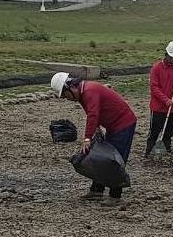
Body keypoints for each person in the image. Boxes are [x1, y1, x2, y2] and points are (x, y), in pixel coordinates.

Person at [51, 72, 138, 202]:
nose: (66, 98)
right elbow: (93, 111)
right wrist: (96, 129)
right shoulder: (83, 92)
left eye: (65, 95)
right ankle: (97, 190)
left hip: (123, 124)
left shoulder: (89, 91)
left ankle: (115, 195)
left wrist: (87, 138)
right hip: (113, 125)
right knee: (102, 157)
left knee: (114, 160)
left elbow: (93, 114)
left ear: (70, 87)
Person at [145, 41, 173, 157]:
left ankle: (166, 151)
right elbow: (154, 88)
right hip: (158, 108)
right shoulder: (156, 68)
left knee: (170, 132)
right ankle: (148, 154)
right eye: (172, 58)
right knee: (154, 132)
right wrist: (166, 100)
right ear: (166, 54)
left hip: (172, 108)